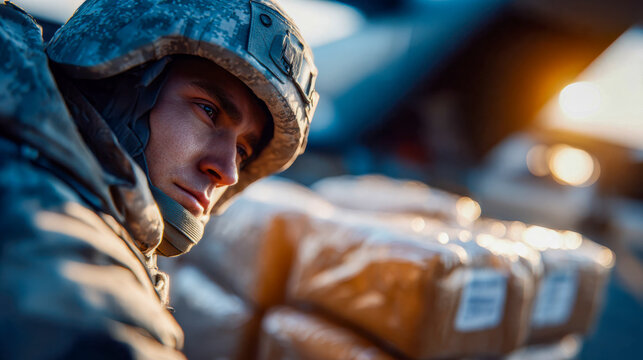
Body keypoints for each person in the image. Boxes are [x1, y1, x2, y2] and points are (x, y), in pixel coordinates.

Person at [0, 0, 317, 358]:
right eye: (209, 111)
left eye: (243, 150)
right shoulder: (49, 233)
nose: (227, 172)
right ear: (120, 85)